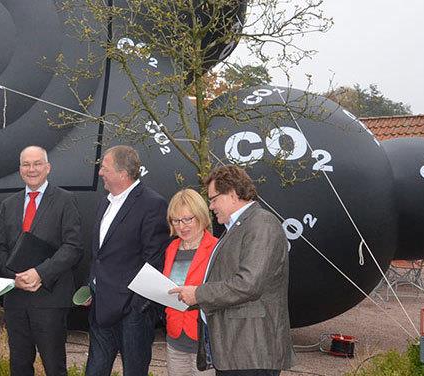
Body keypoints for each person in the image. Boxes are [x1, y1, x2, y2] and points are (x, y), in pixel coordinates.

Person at [170, 165, 294, 376]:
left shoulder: (261, 224)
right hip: (237, 351)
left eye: (214, 199)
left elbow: (249, 284)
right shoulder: (238, 227)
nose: (211, 206)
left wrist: (198, 294)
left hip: (252, 351)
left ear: (233, 194)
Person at [0, 146, 83, 376]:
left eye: (37, 163)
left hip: (50, 298)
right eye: (26, 164)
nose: (31, 169)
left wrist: (40, 273)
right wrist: (15, 277)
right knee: (19, 366)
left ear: (48, 167)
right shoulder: (8, 204)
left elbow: (73, 247)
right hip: (16, 298)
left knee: (54, 367)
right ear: (20, 169)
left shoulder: (65, 200)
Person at [86, 145, 170, 376]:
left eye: (104, 167)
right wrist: (91, 285)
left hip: (132, 314)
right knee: (94, 371)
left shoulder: (152, 204)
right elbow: (100, 254)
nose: (100, 172)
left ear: (122, 173)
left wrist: (137, 307)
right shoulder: (105, 202)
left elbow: (153, 260)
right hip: (101, 308)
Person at [161, 189, 217, 376]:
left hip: (205, 340)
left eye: (187, 219)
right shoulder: (171, 248)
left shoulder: (217, 248)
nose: (182, 226)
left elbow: (222, 292)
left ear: (201, 216)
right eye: (176, 221)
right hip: (175, 337)